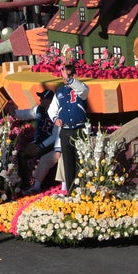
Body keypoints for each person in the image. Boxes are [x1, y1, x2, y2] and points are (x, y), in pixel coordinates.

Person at [48, 64, 89, 195]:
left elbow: (83, 90)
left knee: (81, 161)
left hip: (80, 130)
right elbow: (52, 109)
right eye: (64, 76)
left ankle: (83, 190)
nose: (66, 78)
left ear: (74, 76)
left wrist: (71, 80)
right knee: (68, 163)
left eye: (69, 75)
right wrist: (55, 118)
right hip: (66, 131)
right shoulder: (59, 92)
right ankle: (71, 192)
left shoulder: (81, 89)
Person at [15, 89, 61, 193]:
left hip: (51, 144)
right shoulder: (39, 109)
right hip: (38, 142)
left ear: (50, 101)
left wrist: (40, 147)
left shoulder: (57, 113)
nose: (40, 100)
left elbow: (55, 136)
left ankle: (37, 185)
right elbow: (27, 113)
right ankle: (25, 181)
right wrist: (14, 113)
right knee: (21, 154)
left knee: (32, 155)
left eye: (43, 98)